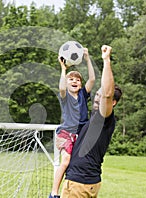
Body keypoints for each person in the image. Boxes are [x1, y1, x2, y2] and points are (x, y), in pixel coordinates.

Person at [59, 45, 123, 197]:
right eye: (97, 94)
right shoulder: (91, 119)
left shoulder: (104, 118)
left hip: (81, 183)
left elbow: (107, 94)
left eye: (102, 97)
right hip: (76, 180)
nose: (97, 97)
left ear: (112, 103)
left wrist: (106, 60)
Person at [49, 47, 95, 198]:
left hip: (80, 135)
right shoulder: (65, 96)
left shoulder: (82, 94)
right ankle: (54, 192)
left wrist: (87, 59)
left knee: (74, 165)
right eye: (71, 79)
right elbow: (62, 87)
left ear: (80, 85)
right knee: (66, 161)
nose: (74, 81)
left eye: (77, 80)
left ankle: (68, 190)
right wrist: (63, 70)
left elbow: (93, 80)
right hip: (66, 134)